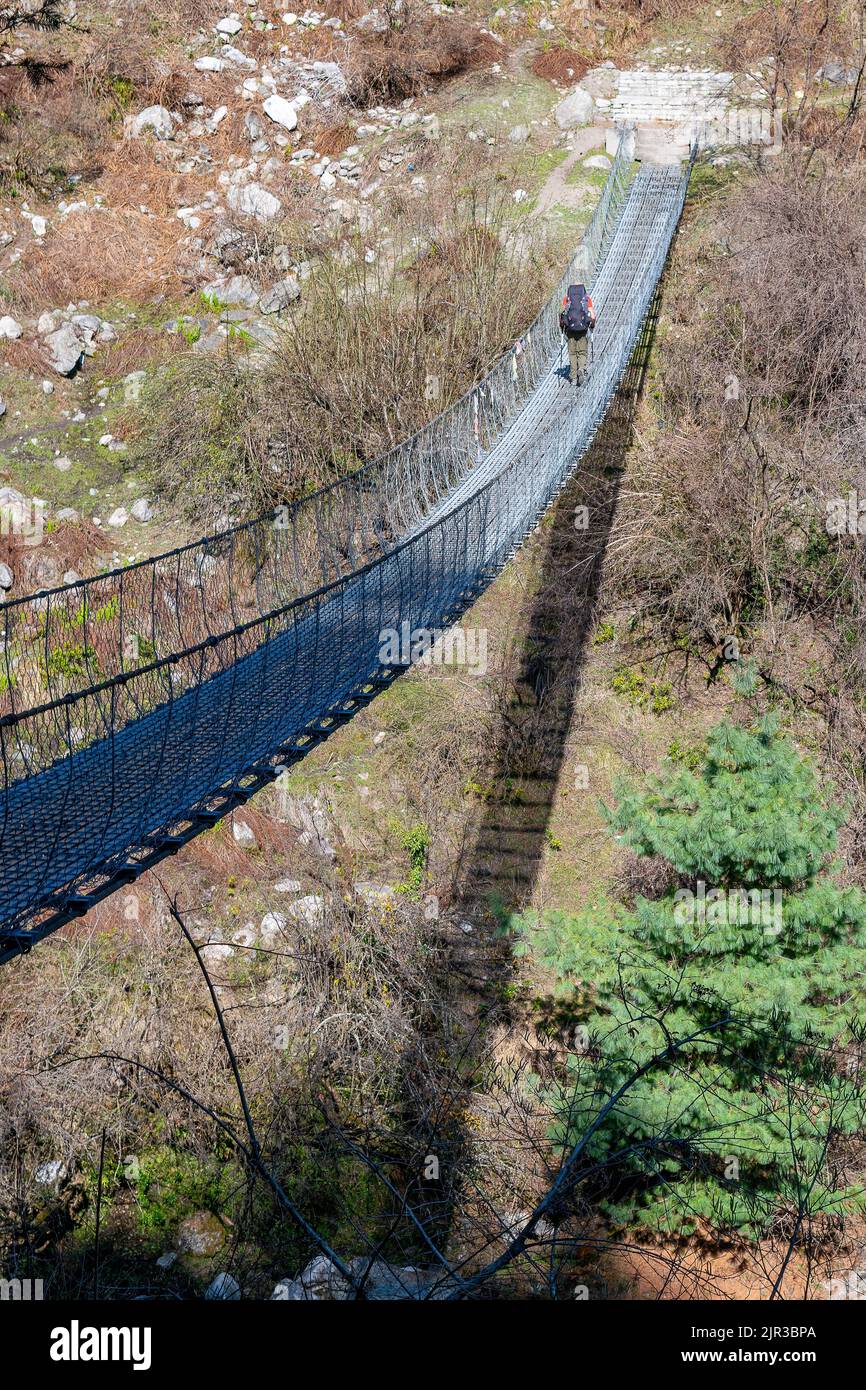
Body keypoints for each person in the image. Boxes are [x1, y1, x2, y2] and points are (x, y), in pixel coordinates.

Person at [559, 282, 596, 386]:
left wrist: (562, 327)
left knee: (572, 353)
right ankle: (581, 369)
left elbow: (562, 314)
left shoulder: (567, 298)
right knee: (582, 352)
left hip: (570, 329)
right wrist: (592, 325)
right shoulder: (586, 299)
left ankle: (574, 377)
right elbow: (592, 315)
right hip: (583, 329)